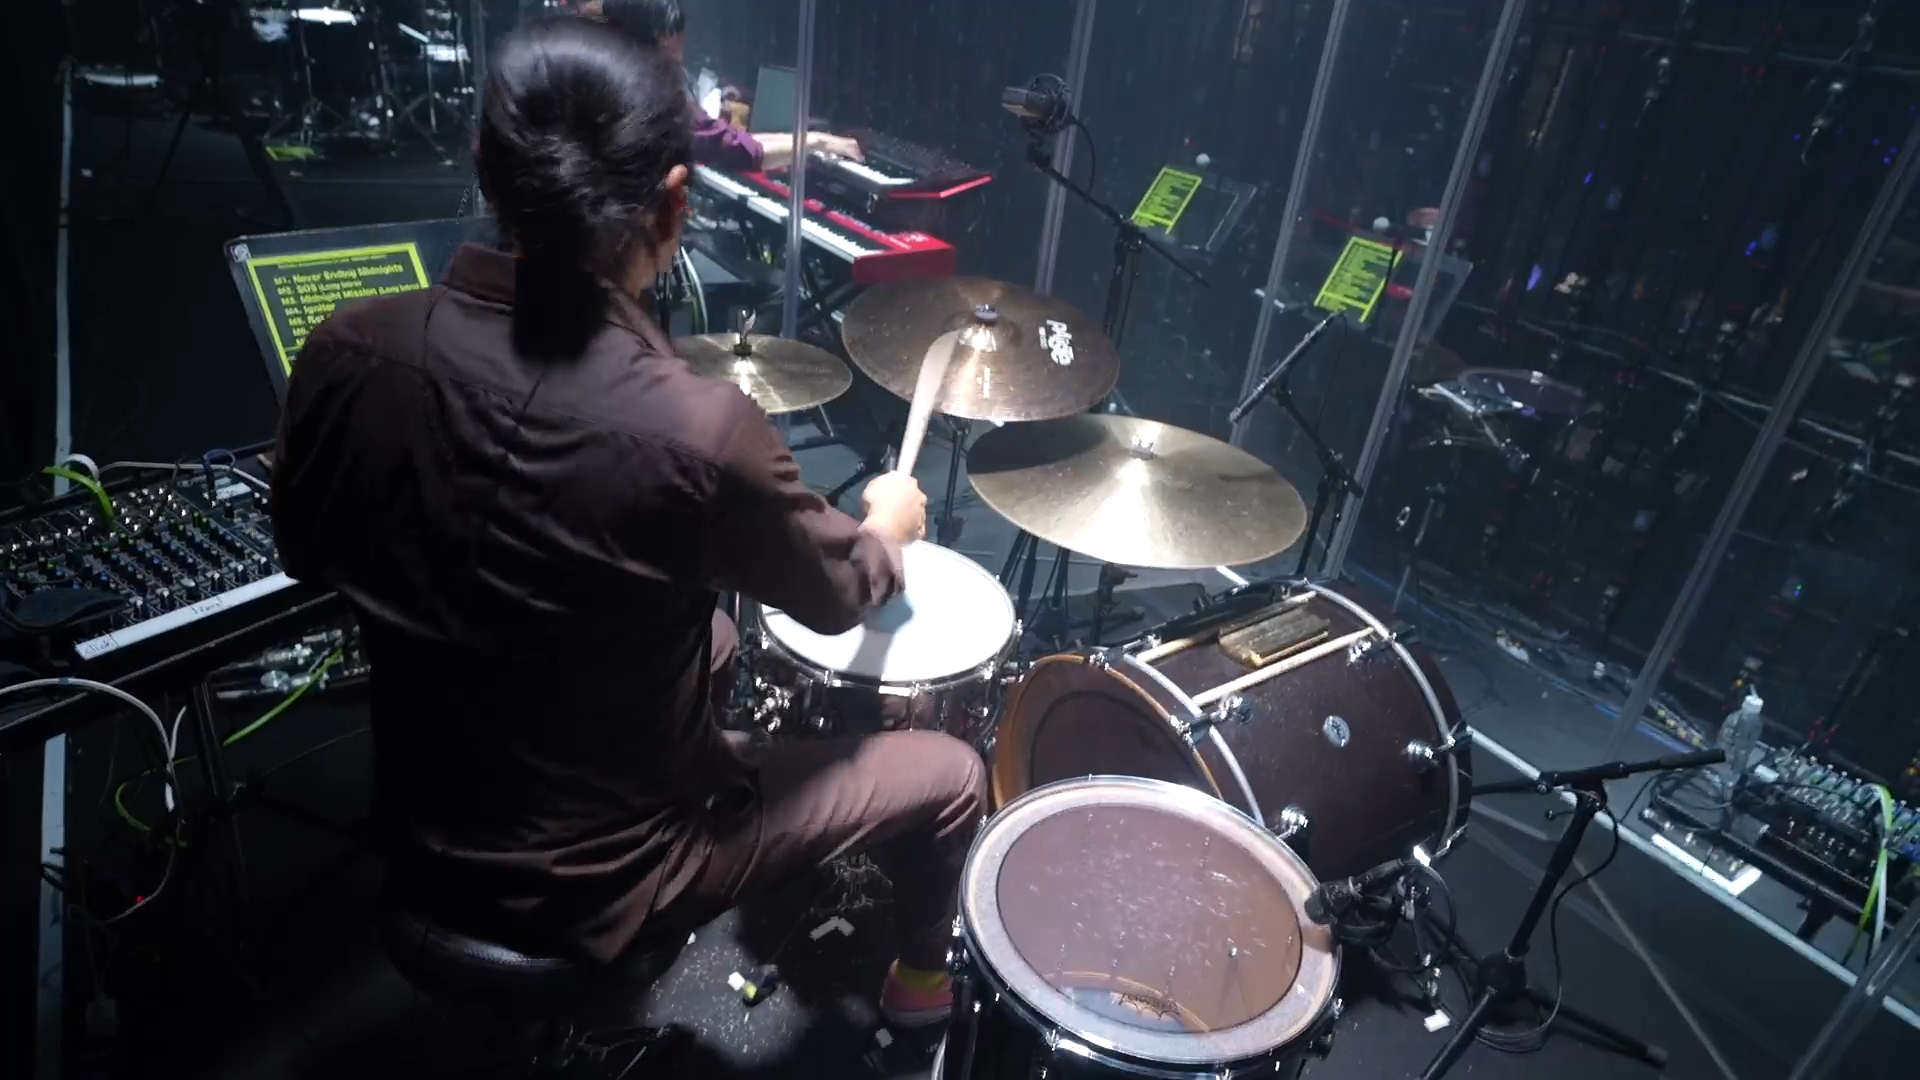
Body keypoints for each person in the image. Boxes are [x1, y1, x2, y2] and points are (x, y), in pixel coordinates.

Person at [271, 16, 977, 1027]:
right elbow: (838, 597)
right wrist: (887, 528)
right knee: (951, 776)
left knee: (716, 637)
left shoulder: (348, 348)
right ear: (674, 202)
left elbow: (306, 551)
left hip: (421, 822)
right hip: (604, 884)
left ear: (484, 165)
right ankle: (917, 999)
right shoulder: (698, 433)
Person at [585, 0, 864, 170]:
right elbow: (736, 150)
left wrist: (812, 140)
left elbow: (729, 139)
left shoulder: (602, 76)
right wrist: (817, 141)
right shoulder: (653, 96)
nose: (682, 42)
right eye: (675, 33)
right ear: (661, 36)